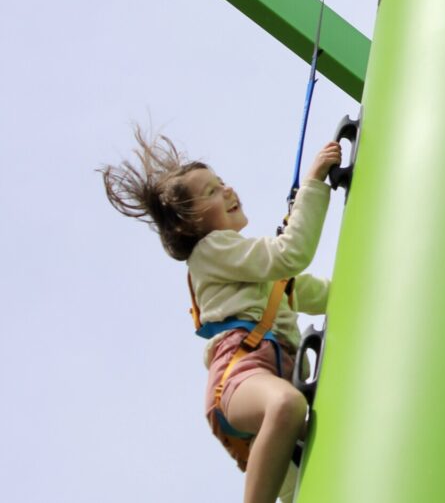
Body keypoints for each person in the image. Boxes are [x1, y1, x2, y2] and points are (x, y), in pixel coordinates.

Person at [101, 127, 341, 503]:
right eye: (211, 192)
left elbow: (324, 294)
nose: (227, 190)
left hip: (276, 393)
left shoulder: (260, 275)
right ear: (188, 224)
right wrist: (312, 182)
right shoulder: (209, 250)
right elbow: (289, 253)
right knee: (285, 405)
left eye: (222, 183)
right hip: (242, 376)